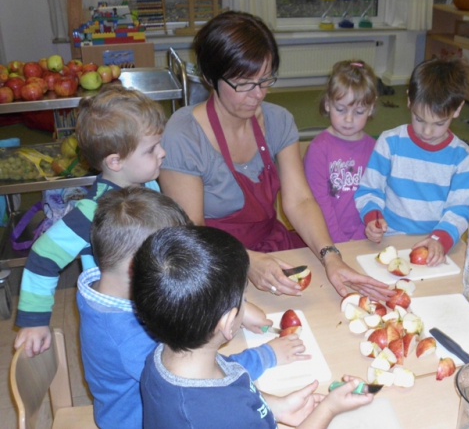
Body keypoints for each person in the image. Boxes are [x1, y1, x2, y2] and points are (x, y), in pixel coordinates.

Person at [159, 11, 391, 302]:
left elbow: (301, 201)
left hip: (274, 247)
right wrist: (247, 261)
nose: (258, 94)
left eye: (265, 79)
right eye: (243, 83)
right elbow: (191, 233)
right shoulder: (183, 136)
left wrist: (330, 255)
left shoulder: (278, 120)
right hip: (213, 261)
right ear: (210, 76)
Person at [78, 187, 308, 428]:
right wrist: (266, 356)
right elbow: (200, 374)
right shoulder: (125, 338)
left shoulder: (102, 290)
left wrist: (234, 305)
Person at [132, 225, 375, 429]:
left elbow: (229, 380)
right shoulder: (228, 416)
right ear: (229, 323)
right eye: (243, 297)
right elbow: (230, 408)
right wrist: (328, 410)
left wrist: (273, 407)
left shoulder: (160, 359)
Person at [14, 85, 167, 357]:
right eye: (152, 149)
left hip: (153, 306)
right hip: (120, 321)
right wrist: (34, 321)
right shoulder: (94, 211)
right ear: (115, 162)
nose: (162, 153)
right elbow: (43, 256)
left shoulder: (149, 186)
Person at [355, 58, 469, 266]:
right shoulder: (390, 142)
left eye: (439, 123)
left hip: (435, 244)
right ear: (409, 100)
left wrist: (440, 239)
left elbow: (459, 210)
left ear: (457, 109)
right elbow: (369, 189)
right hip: (389, 242)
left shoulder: (463, 158)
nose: (427, 132)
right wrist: (373, 218)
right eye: (419, 119)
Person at [303, 60, 377, 243]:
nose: (349, 119)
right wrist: (339, 241)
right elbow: (319, 203)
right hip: (325, 239)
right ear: (328, 104)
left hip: (363, 239)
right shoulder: (318, 149)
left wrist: (361, 235)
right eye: (341, 109)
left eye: (359, 112)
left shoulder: (376, 149)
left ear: (371, 108)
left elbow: (378, 196)